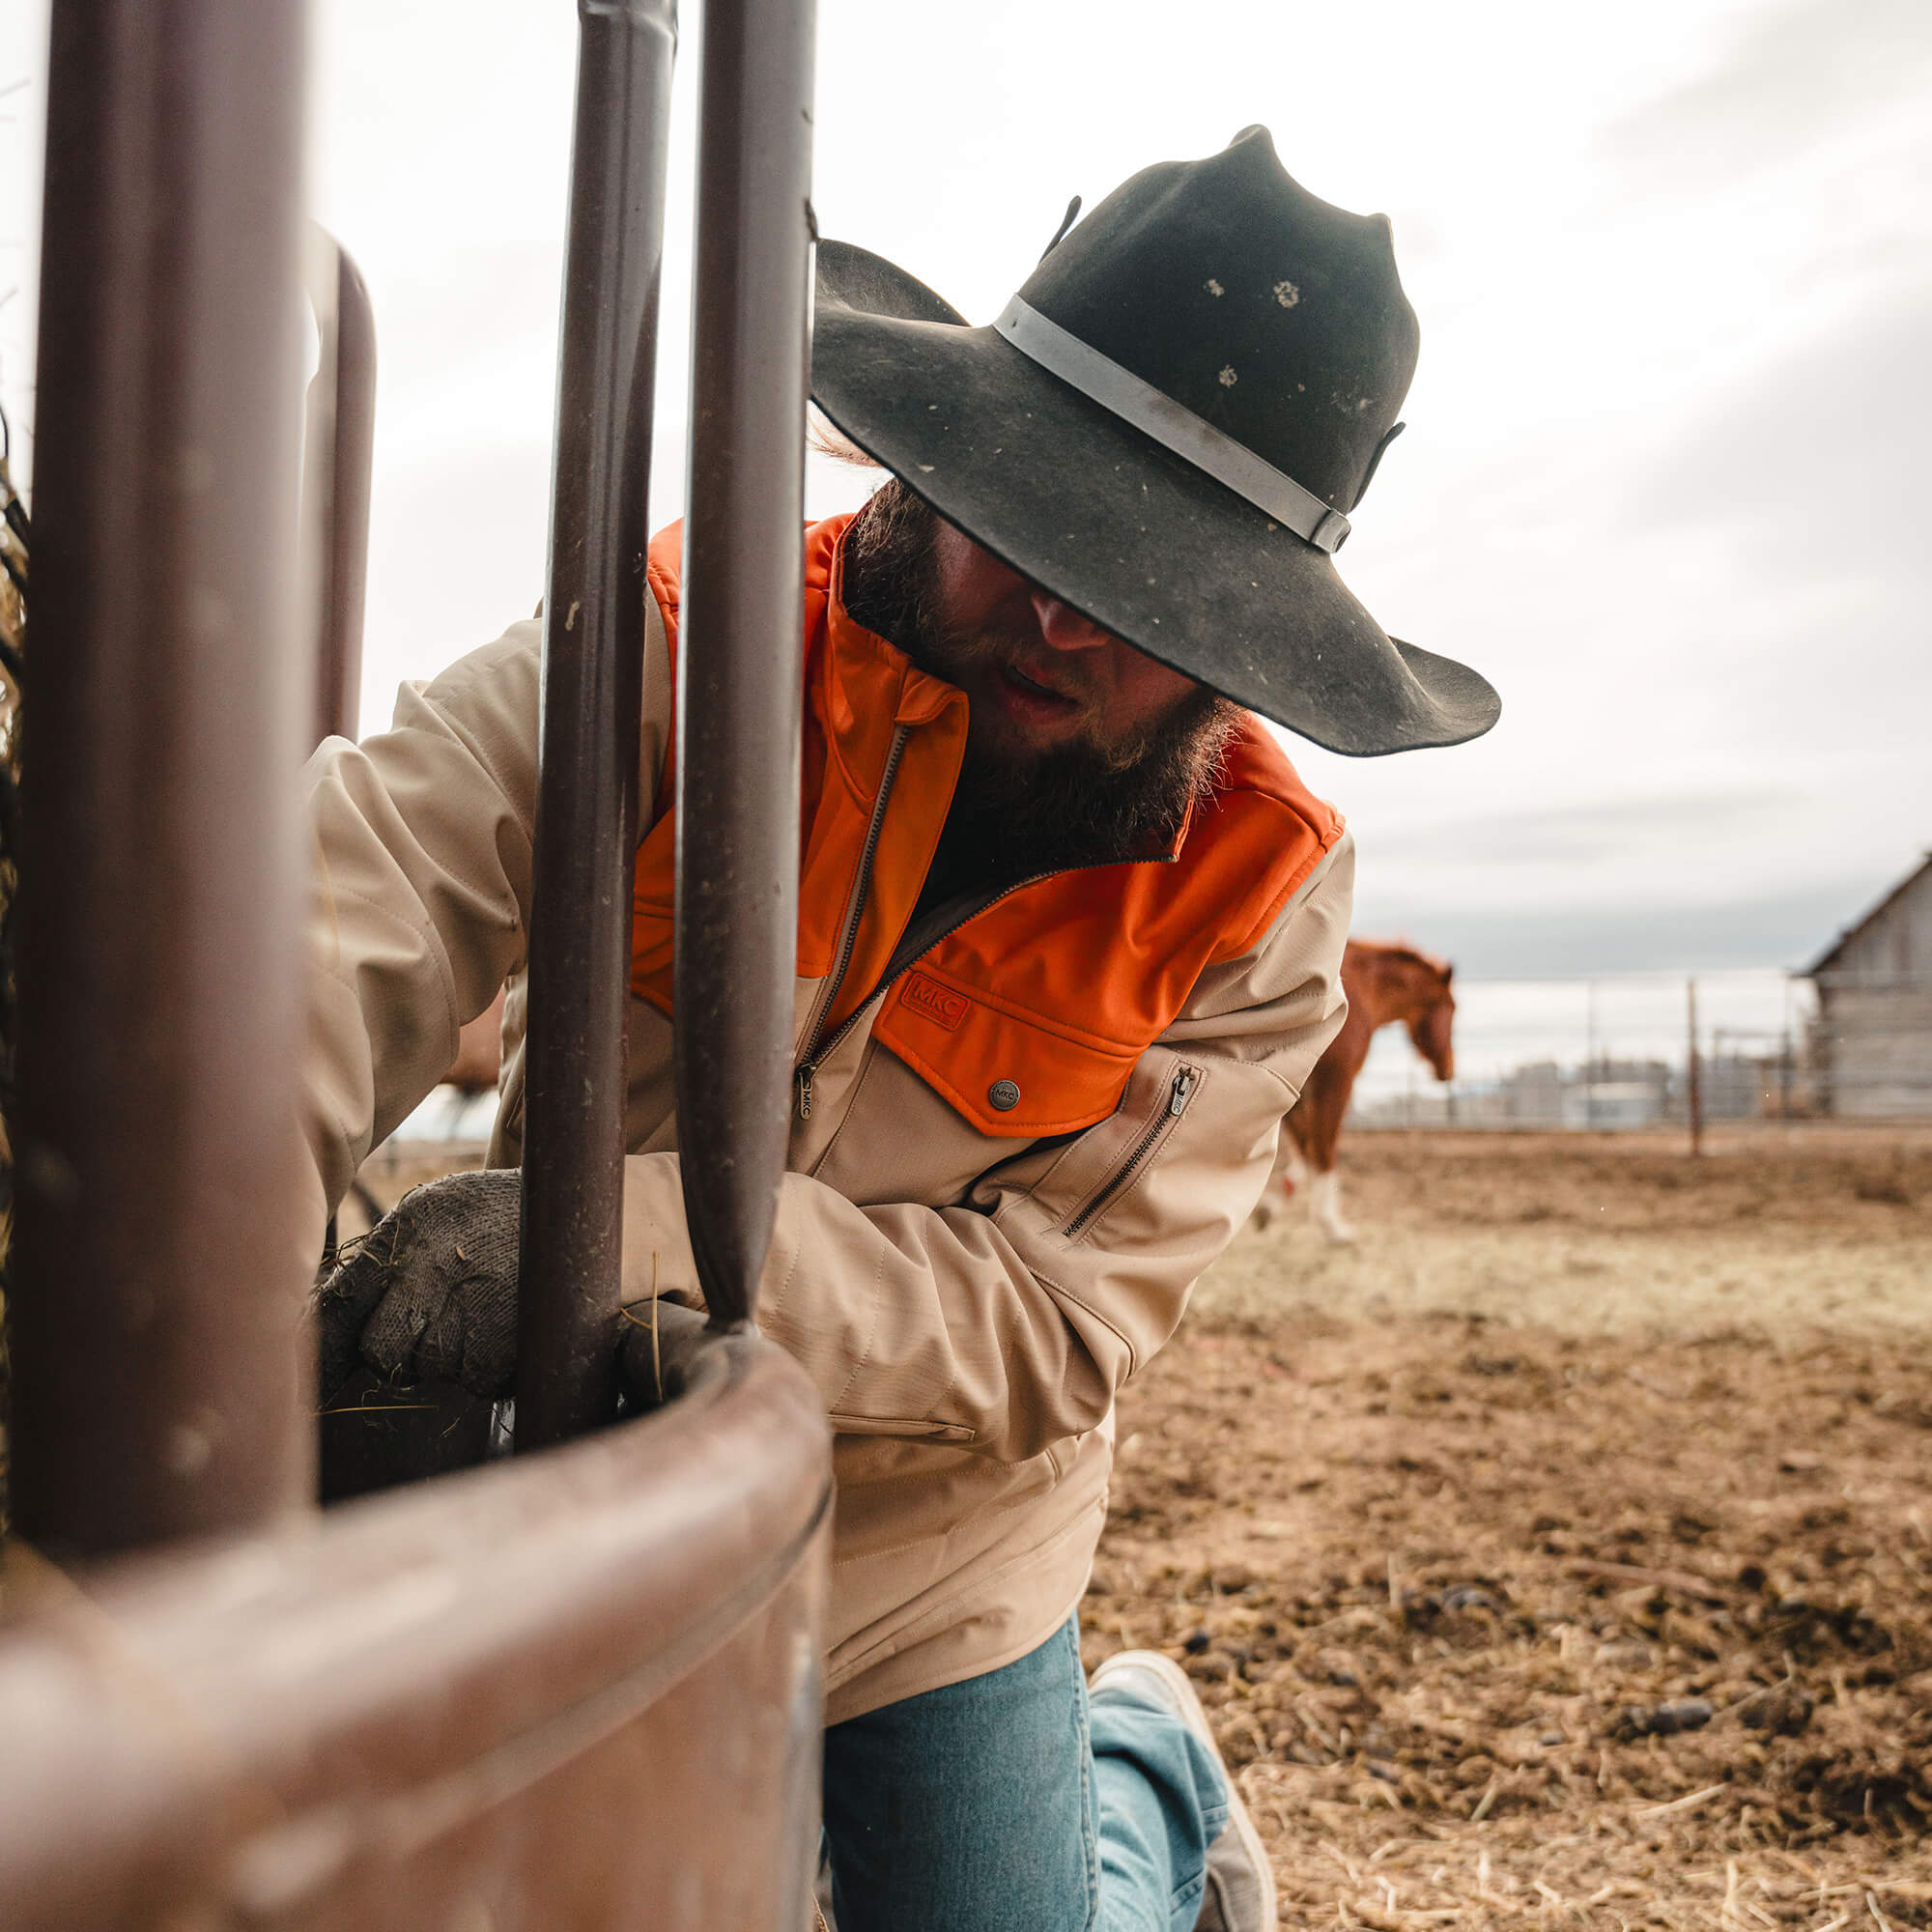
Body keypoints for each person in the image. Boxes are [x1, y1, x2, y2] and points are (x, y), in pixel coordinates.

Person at [303, 127, 1498, 1932]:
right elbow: (354, 895)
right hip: (580, 1463)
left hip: (935, 1556)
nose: (1057, 620)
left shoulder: (1259, 897)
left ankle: (1144, 1772)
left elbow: (1051, 1324)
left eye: (1151, 597)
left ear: (1250, 639)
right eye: (1036, 524)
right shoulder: (677, 640)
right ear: (942, 462)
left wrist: (595, 1242)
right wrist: (164, 1229)